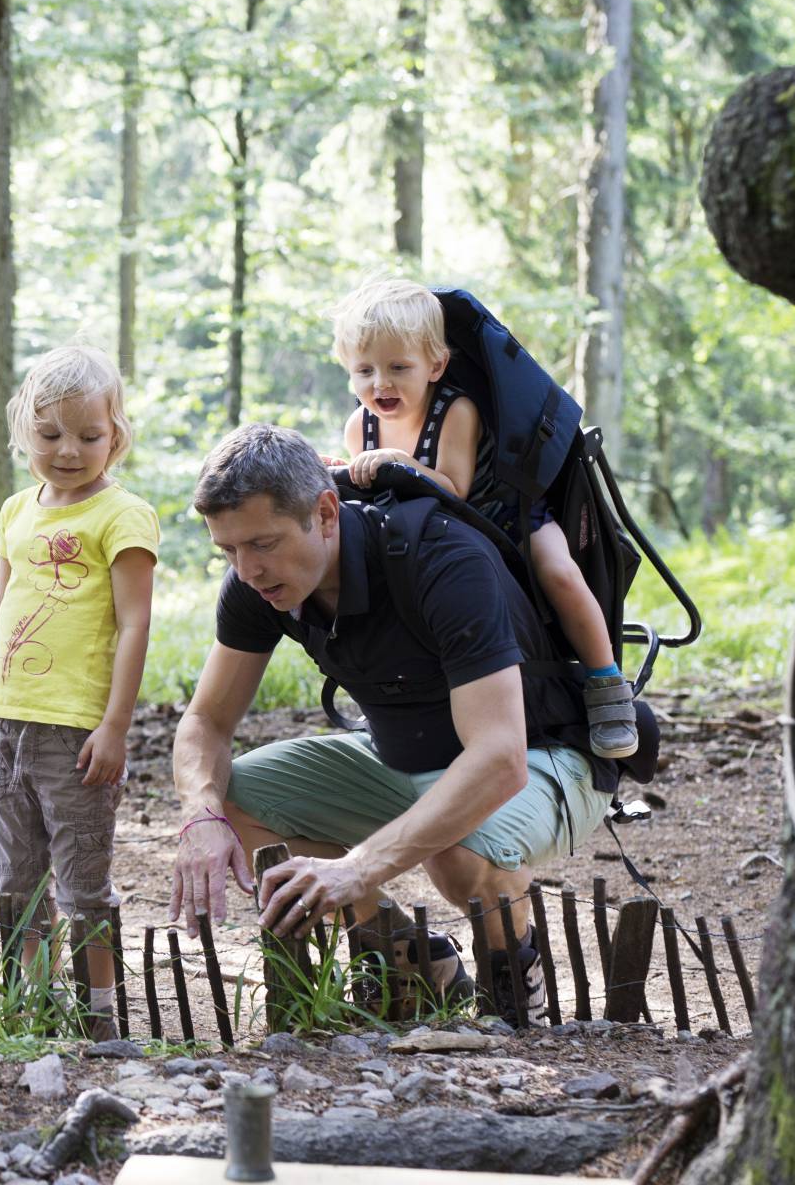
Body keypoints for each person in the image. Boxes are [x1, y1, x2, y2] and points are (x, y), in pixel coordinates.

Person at [168, 424, 628, 1025]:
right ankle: (414, 961)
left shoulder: (441, 558)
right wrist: (200, 814)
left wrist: (356, 867)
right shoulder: (256, 585)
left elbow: (499, 758)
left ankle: (517, 991)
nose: (248, 569)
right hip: (403, 755)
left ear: (326, 514)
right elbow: (205, 721)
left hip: (546, 757)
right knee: (229, 799)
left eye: (263, 544)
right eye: (228, 551)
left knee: (459, 850)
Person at [330, 277, 638, 760]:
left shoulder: (457, 411)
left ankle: (606, 684)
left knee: (557, 571)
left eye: (398, 367)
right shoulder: (360, 426)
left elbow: (455, 490)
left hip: (505, 518)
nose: (380, 384)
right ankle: (397, 698)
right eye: (364, 370)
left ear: (435, 365)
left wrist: (398, 462)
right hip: (422, 538)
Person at [0, 346, 158, 1041]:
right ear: (24, 433)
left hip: (76, 733)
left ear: (116, 436)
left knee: (82, 882)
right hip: (9, 726)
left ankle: (100, 1016)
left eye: (89, 436)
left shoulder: (122, 517)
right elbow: (3, 609)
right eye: (50, 436)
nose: (68, 451)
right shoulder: (17, 510)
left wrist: (116, 726)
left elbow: (135, 624)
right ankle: (30, 1009)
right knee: (17, 879)